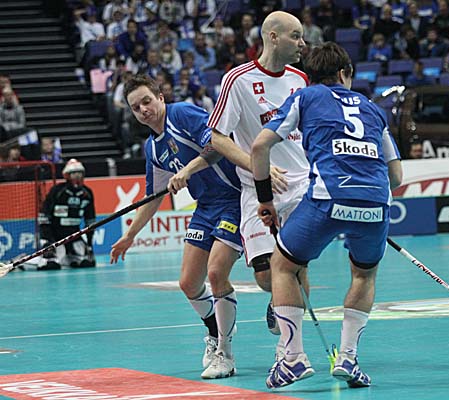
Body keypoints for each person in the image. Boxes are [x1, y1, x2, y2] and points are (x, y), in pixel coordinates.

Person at [250, 42, 403, 389]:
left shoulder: (305, 97)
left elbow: (260, 146)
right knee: (364, 275)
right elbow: (396, 176)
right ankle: (348, 358)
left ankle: (292, 359)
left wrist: (265, 200)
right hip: (376, 203)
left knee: (284, 266)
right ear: (346, 73)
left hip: (327, 198)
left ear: (310, 76)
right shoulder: (373, 109)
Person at [110, 74, 242, 379]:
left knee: (216, 273)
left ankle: (225, 353)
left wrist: (187, 170)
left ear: (160, 97)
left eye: (146, 101)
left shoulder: (182, 114)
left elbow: (219, 144)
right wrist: (130, 235)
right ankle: (214, 330)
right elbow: (153, 197)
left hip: (235, 199)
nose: (143, 110)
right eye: (135, 108)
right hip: (205, 207)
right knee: (189, 283)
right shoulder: (152, 149)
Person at [207, 11, 310, 345]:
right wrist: (259, 168)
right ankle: (276, 300)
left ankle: (291, 350)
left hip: (302, 187)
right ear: (273, 37)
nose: (302, 43)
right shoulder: (237, 80)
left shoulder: (300, 79)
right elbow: (218, 138)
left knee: (297, 267)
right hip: (259, 190)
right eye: (295, 36)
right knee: (267, 276)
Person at [36, 159, 97, 270]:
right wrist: (47, 241)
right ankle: (25, 262)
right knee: (51, 265)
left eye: (80, 173)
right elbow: (44, 216)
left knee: (88, 262)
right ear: (67, 176)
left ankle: (70, 255)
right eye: (74, 174)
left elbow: (90, 220)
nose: (77, 177)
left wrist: (89, 244)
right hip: (54, 236)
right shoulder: (57, 191)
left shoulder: (87, 193)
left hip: (73, 235)